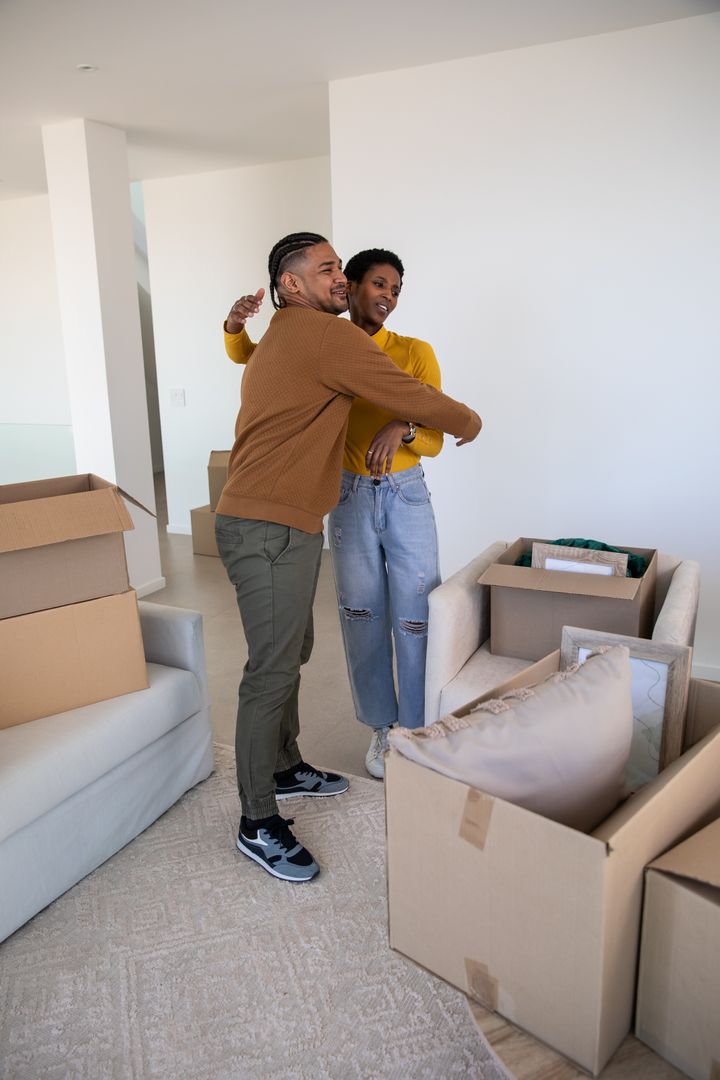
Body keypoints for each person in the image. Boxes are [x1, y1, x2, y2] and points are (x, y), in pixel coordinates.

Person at [218, 231, 481, 884]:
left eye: (341, 267)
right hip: (268, 524)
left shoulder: (287, 333)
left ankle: (285, 765)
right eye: (329, 268)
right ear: (291, 284)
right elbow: (414, 396)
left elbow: (398, 398)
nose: (341, 277)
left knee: (293, 650)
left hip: (291, 519)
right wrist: (469, 422)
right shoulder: (324, 335)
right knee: (271, 670)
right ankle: (257, 820)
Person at [227, 249, 445, 780]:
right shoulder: (322, 340)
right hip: (346, 495)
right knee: (361, 616)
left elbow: (435, 436)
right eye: (379, 284)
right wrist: (234, 328)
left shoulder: (413, 351)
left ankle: (415, 730)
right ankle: (381, 728)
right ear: (352, 285)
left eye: (396, 290)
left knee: (415, 617)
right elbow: (255, 355)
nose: (388, 297)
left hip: (405, 495)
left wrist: (404, 427)